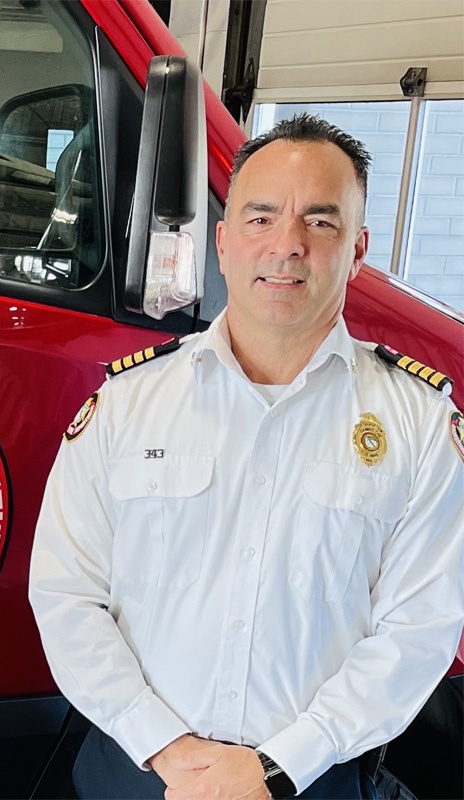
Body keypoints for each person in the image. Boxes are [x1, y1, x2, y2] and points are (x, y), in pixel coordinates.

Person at [29, 114, 464, 800]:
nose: (287, 245)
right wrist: (166, 746)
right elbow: (65, 593)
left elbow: (419, 630)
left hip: (312, 781)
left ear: (358, 251)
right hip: (137, 772)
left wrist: (276, 766)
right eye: (261, 218)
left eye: (321, 223)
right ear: (224, 243)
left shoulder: (419, 423)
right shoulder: (127, 403)